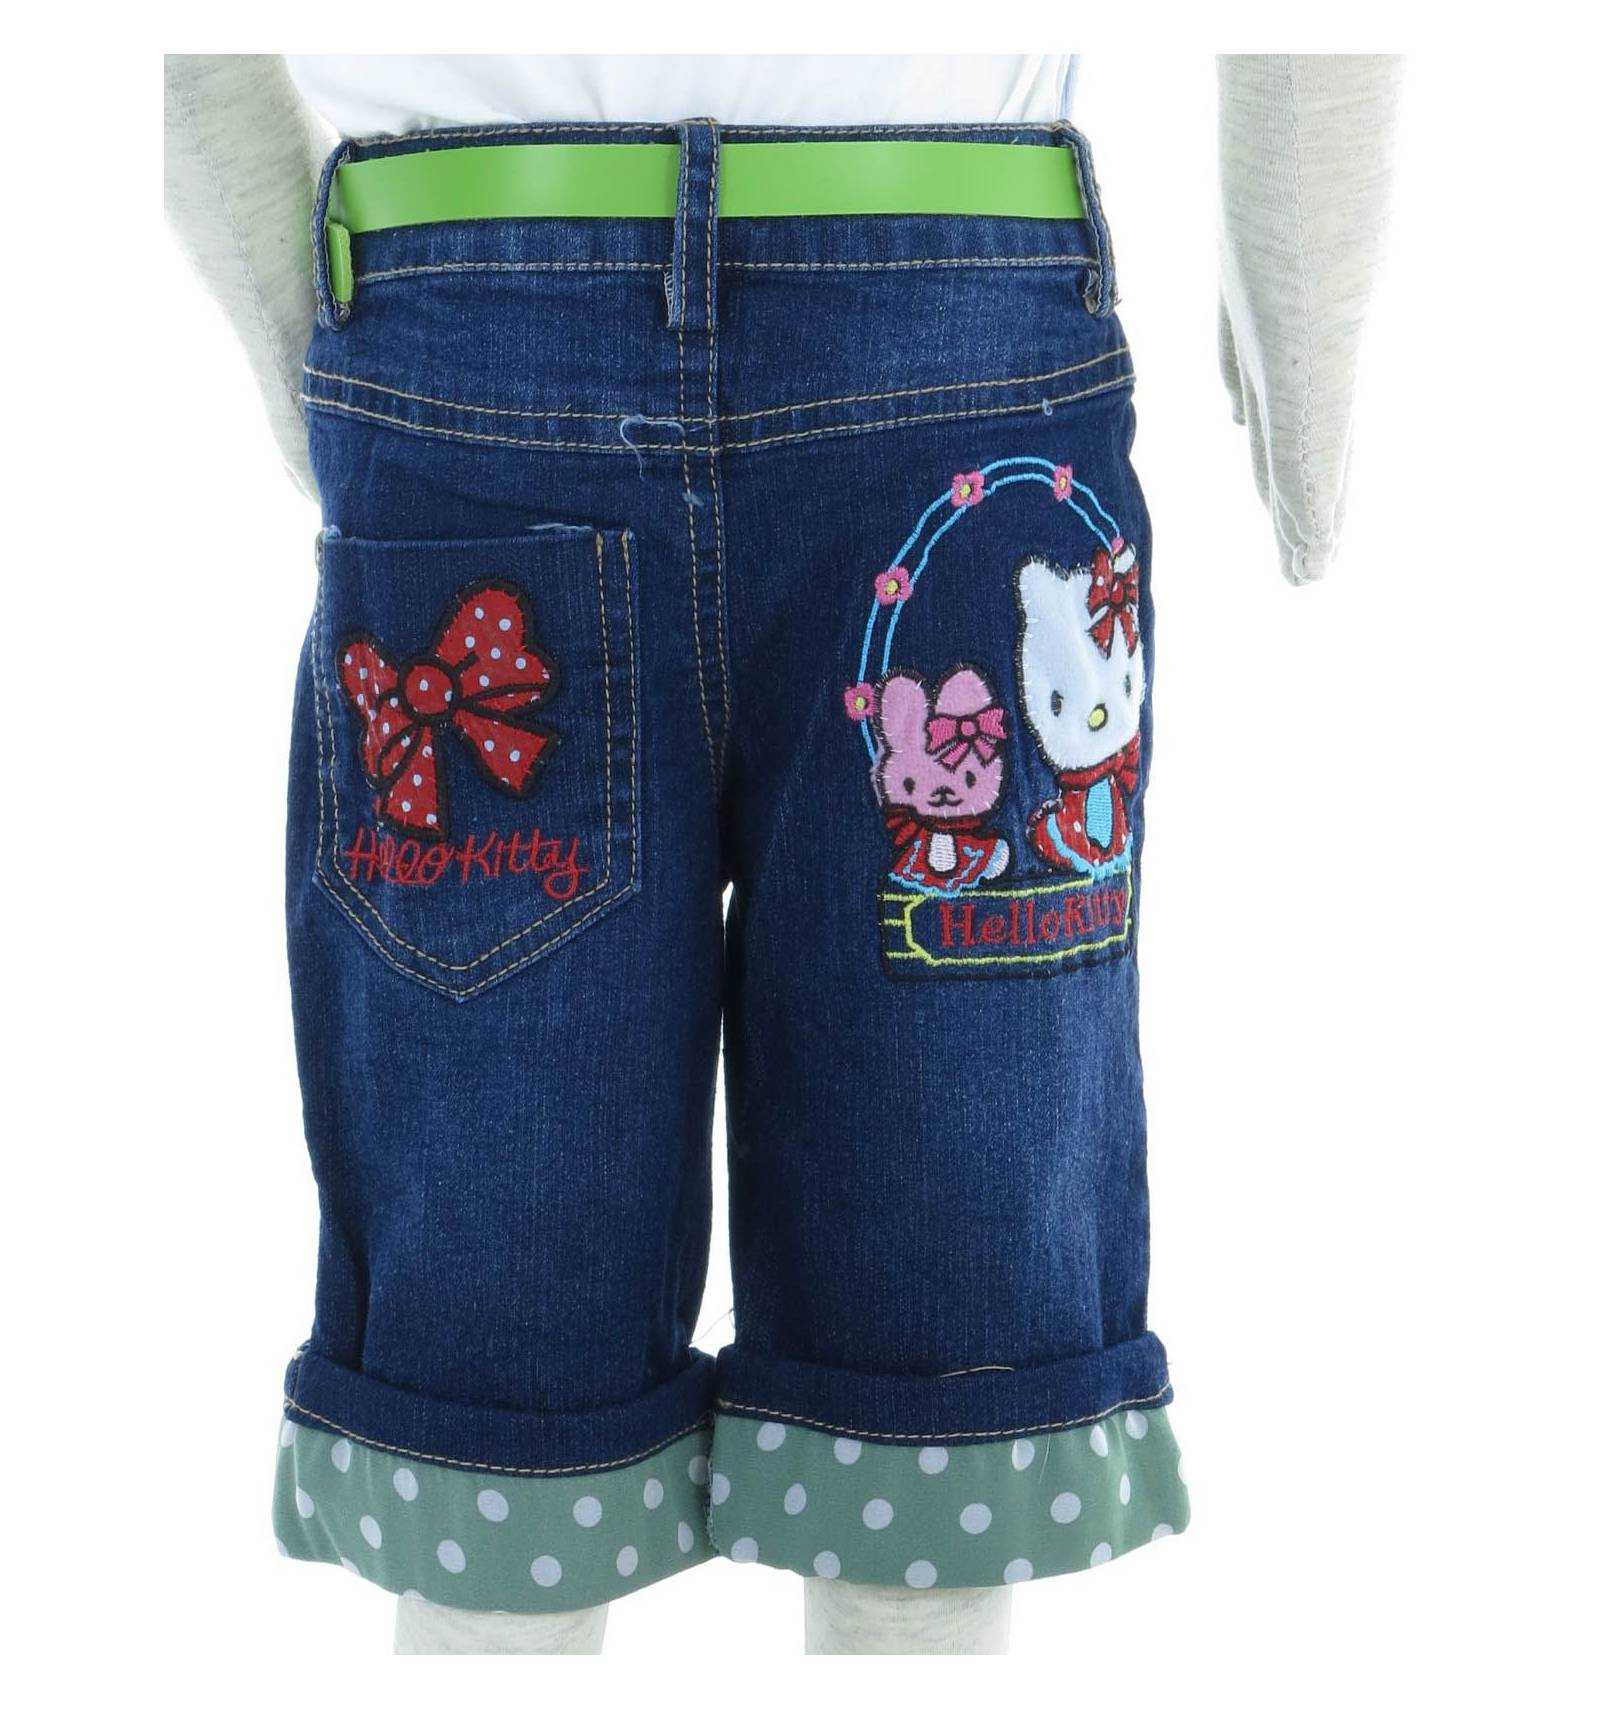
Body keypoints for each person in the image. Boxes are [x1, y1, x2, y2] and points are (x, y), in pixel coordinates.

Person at [164, 53, 1401, 1657]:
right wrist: (1304, 346)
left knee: (822, 1431)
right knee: (631, 1446)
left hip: (548, 334)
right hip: (903, 331)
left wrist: (305, 326)